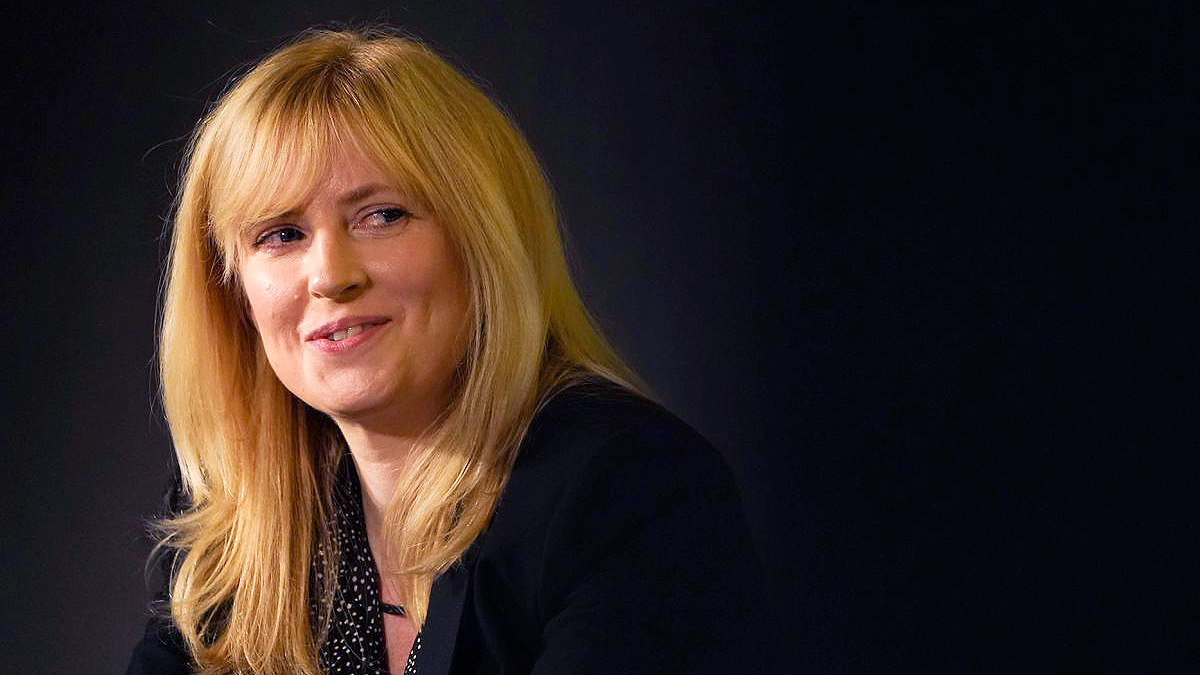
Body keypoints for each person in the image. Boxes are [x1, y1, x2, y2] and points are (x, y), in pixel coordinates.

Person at [126, 28, 767, 675]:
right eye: (282, 234)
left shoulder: (629, 491)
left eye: (382, 216)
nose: (330, 276)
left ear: (480, 241)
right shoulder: (234, 516)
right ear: (234, 292)